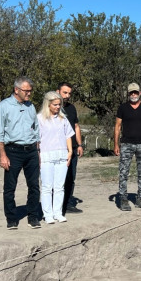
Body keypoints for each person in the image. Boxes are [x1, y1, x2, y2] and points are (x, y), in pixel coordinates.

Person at [0, 77, 42, 229]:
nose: (29, 94)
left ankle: (33, 216)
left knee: (34, 185)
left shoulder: (31, 106)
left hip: (31, 150)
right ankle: (12, 218)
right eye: (26, 91)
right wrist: (3, 155)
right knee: (10, 187)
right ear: (16, 90)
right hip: (13, 150)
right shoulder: (3, 106)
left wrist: (38, 151)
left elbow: (36, 130)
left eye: (30, 91)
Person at [114, 82, 141, 211]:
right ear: (128, 94)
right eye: (131, 92)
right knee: (123, 172)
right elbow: (117, 127)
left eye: (135, 92)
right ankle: (123, 199)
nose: (133, 94)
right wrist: (116, 144)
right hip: (126, 144)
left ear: (140, 93)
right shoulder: (123, 108)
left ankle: (140, 198)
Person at [37, 91, 75, 224]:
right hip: (46, 155)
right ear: (48, 104)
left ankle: (58, 212)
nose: (58, 107)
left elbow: (68, 135)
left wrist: (70, 151)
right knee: (47, 186)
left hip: (62, 155)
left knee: (59, 186)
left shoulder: (63, 119)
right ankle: (47, 214)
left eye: (59, 105)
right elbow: (37, 139)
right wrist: (38, 155)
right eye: (55, 105)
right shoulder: (39, 119)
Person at [56, 82, 84, 215]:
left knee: (70, 177)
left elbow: (76, 126)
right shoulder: (52, 108)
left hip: (72, 148)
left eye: (69, 93)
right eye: (64, 93)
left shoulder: (72, 108)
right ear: (58, 92)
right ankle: (55, 205)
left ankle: (67, 204)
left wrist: (79, 144)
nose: (67, 96)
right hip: (58, 149)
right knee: (57, 178)